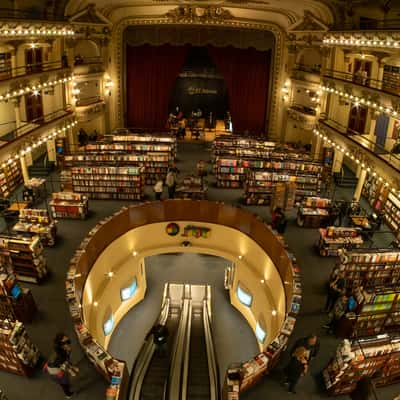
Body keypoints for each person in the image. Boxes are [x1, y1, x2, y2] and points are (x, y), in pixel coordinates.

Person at [44, 333, 79, 399]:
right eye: (64, 339)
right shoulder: (61, 354)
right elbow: (62, 363)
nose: (66, 338)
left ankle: (67, 386)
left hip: (57, 364)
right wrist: (70, 369)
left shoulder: (61, 346)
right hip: (54, 368)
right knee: (63, 382)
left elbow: (66, 359)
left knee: (65, 378)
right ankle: (68, 394)